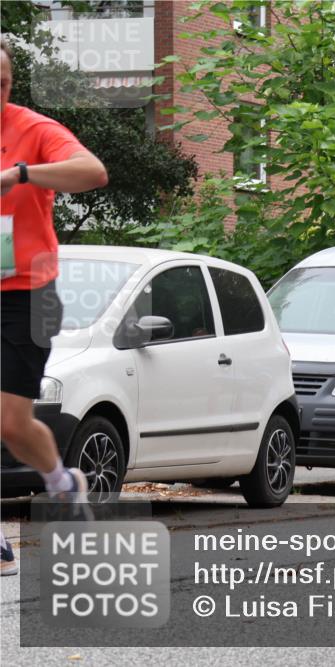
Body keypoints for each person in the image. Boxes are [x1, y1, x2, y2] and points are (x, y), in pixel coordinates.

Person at [1, 39, 108, 575]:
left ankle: (64, 484)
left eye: (2, 82)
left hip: (29, 294)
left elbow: (92, 172)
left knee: (12, 423)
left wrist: (23, 174)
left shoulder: (35, 130)